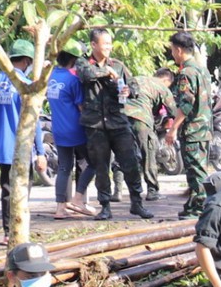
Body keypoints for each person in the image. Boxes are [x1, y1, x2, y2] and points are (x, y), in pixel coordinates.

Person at [77, 27, 149, 222]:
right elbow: (86, 75)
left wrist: (127, 89)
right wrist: (106, 73)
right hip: (95, 124)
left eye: (110, 43)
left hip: (118, 120)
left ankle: (137, 202)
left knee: (131, 162)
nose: (108, 47)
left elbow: (134, 85)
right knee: (101, 167)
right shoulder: (83, 62)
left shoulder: (118, 65)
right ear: (94, 45)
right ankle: (105, 205)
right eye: (105, 43)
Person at [0, 40, 47, 230]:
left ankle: (8, 232)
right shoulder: (27, 85)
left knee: (7, 189)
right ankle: (19, 229)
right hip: (23, 147)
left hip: (1, 147)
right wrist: (40, 152)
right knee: (23, 190)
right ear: (26, 61)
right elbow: (34, 121)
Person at [167, 32, 213, 219]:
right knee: (197, 169)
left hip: (194, 130)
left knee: (196, 170)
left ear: (179, 50)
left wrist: (173, 128)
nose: (171, 54)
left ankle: (200, 207)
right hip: (204, 128)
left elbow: (186, 103)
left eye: (172, 50)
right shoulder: (202, 69)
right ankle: (194, 203)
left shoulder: (187, 73)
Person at [47, 49, 93, 216]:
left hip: (58, 129)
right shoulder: (73, 80)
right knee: (93, 162)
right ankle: (78, 199)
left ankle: (60, 208)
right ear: (73, 59)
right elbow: (81, 106)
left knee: (64, 167)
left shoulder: (50, 77)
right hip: (76, 129)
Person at [126, 68, 173, 205]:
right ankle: (152, 191)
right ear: (165, 80)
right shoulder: (161, 87)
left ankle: (118, 191)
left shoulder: (138, 78)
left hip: (121, 118)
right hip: (141, 120)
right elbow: (173, 109)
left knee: (124, 156)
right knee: (149, 154)